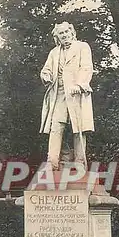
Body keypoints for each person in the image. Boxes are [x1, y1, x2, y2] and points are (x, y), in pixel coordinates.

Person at [39, 22, 94, 170]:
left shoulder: (82, 47)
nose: (64, 35)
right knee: (56, 127)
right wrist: (46, 75)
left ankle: (80, 162)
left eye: (66, 32)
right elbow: (46, 69)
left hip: (76, 93)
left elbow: (87, 67)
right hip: (59, 94)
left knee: (79, 128)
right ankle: (52, 162)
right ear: (57, 37)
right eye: (60, 34)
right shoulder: (54, 52)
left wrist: (80, 85)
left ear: (71, 32)